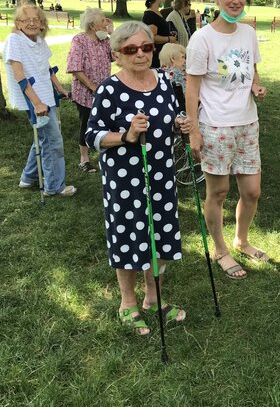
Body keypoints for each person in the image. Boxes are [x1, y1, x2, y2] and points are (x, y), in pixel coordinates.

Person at [85, 21, 191, 334]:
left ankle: (154, 300)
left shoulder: (162, 82)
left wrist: (179, 126)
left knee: (160, 235)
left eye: (146, 47)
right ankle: (127, 303)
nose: (141, 54)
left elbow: (171, 116)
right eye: (131, 49)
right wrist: (126, 135)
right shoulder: (110, 88)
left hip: (161, 175)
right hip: (125, 179)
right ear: (117, 54)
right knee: (130, 236)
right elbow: (93, 135)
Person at [186, 0, 268, 280]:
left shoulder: (247, 33)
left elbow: (251, 74)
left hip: (248, 124)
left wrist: (256, 88)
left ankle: (242, 239)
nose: (236, 0)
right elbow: (191, 90)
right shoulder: (202, 39)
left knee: (252, 191)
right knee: (218, 192)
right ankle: (221, 250)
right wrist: (194, 131)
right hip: (215, 126)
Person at [2, 1, 76, 197]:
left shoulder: (39, 40)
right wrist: (36, 103)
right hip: (33, 98)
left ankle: (28, 177)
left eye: (36, 19)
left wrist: (61, 89)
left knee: (43, 137)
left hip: (45, 95)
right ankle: (54, 186)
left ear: (42, 23)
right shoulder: (14, 40)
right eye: (26, 20)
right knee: (52, 141)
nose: (32, 23)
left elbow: (47, 68)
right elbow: (19, 74)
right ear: (18, 23)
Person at [66, 8, 113, 173]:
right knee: (87, 123)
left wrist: (112, 35)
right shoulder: (79, 40)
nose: (106, 24)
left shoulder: (105, 41)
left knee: (105, 122)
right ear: (93, 25)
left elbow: (117, 56)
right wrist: (93, 87)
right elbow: (75, 68)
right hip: (85, 93)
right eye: (103, 21)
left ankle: (105, 155)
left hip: (104, 92)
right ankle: (84, 159)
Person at [142, 0, 176, 68]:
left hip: (163, 54)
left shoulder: (157, 12)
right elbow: (152, 37)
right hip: (156, 56)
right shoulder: (150, 15)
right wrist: (169, 38)